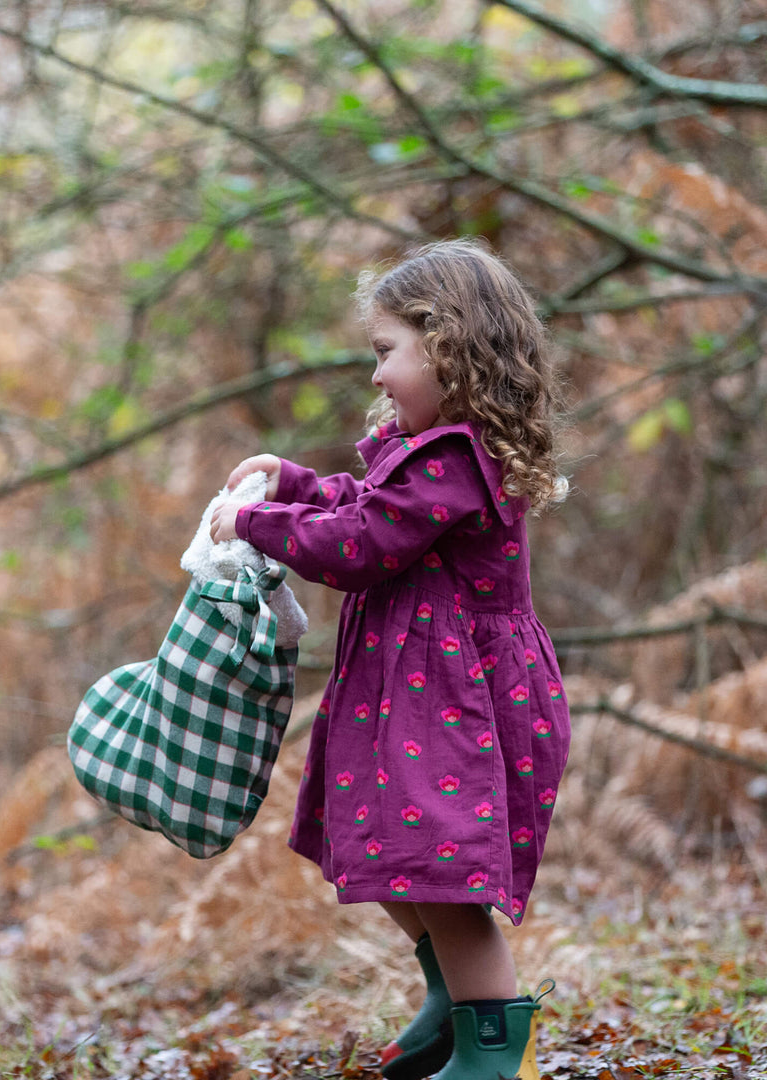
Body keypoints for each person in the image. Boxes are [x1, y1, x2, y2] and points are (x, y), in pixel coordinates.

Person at [210, 238, 571, 1080]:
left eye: (386, 353)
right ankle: (451, 1001)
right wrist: (293, 483)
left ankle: (493, 1049)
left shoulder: (460, 459)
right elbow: (363, 503)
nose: (374, 376)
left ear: (449, 347)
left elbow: (367, 542)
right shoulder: (434, 448)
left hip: (457, 702)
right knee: (388, 851)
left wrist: (257, 524)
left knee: (442, 877)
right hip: (411, 691)